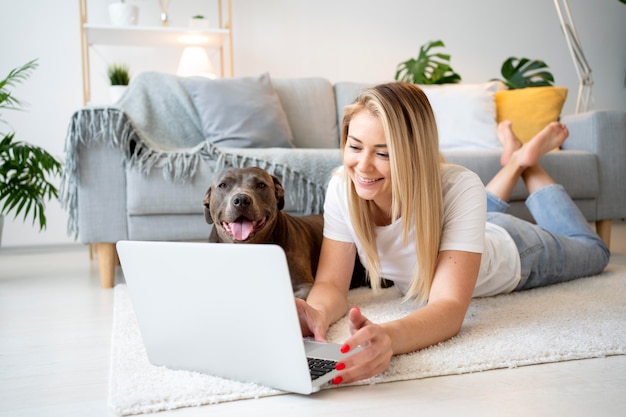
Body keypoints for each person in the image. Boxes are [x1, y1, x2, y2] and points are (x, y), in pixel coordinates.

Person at [295, 82, 610, 386]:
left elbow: (448, 308)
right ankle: (514, 160)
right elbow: (331, 284)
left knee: (594, 251)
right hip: (464, 228)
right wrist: (317, 311)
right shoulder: (342, 187)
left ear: (412, 153)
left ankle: (526, 165)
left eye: (384, 153)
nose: (362, 166)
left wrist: (389, 336)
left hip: (515, 250)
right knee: (463, 204)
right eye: (354, 146)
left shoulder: (459, 187)